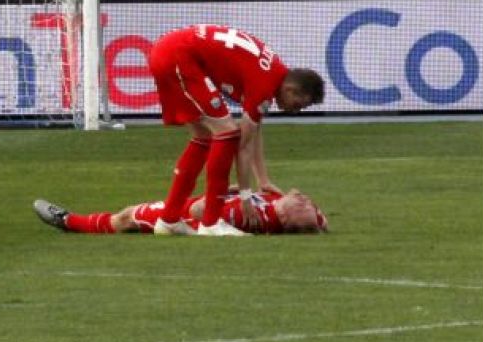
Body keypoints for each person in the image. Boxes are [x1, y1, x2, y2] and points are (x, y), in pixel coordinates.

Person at [145, 23, 325, 236]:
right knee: (227, 132)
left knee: (204, 136)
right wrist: (246, 196)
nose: (295, 111)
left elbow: (254, 130)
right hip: (178, 56)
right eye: (298, 105)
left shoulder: (273, 73)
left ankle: (169, 220)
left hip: (169, 50)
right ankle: (211, 223)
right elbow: (244, 145)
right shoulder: (265, 84)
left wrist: (263, 180)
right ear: (290, 89)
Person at [34, 187, 328, 236]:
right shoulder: (275, 202)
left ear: (287, 218)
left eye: (301, 204)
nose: (302, 197)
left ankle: (68, 221)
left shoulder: (255, 217)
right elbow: (321, 221)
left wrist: (225, 190)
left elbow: (201, 212)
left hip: (187, 213)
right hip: (197, 204)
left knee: (127, 218)